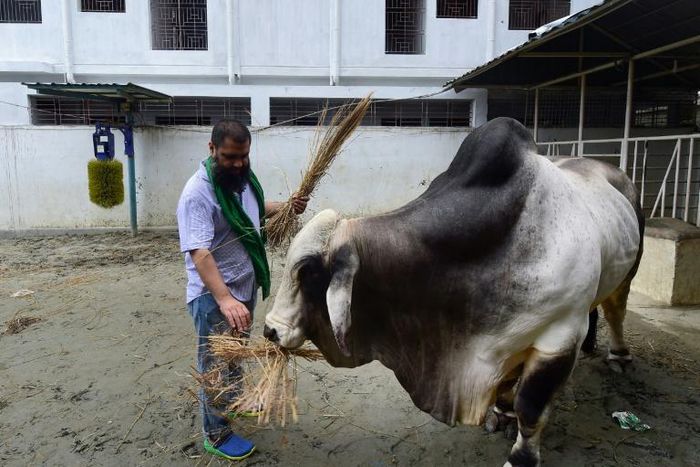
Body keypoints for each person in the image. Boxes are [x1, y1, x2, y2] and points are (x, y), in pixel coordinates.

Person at [176, 119, 308, 461]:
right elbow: (199, 252)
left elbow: (251, 213)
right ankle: (216, 435)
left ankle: (236, 401)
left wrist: (285, 207)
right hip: (214, 295)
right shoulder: (198, 192)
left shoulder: (241, 181)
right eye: (230, 156)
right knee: (215, 365)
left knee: (235, 353)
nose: (238, 163)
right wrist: (224, 298)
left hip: (242, 287)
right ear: (211, 149)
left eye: (243, 156)